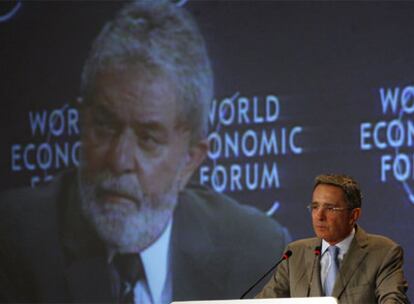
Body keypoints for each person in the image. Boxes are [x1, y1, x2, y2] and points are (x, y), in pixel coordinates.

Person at [0, 1, 290, 303]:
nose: (119, 159)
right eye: (104, 126)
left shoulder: (258, 254)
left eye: (148, 138)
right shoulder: (13, 242)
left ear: (189, 160)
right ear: (82, 121)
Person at [256, 173, 409, 303]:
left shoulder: (383, 252)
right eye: (315, 207)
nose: (319, 216)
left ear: (353, 215)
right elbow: (266, 301)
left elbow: (393, 300)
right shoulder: (295, 253)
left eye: (330, 208)